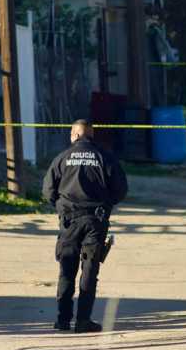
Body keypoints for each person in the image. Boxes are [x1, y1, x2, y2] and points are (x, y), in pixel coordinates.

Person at [42, 119, 128, 333]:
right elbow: (120, 190)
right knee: (89, 270)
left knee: (66, 269)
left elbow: (48, 190)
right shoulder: (105, 157)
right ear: (91, 135)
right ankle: (83, 320)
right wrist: (105, 205)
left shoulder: (62, 158)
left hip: (69, 221)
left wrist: (62, 207)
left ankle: (63, 320)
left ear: (74, 135)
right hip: (95, 221)